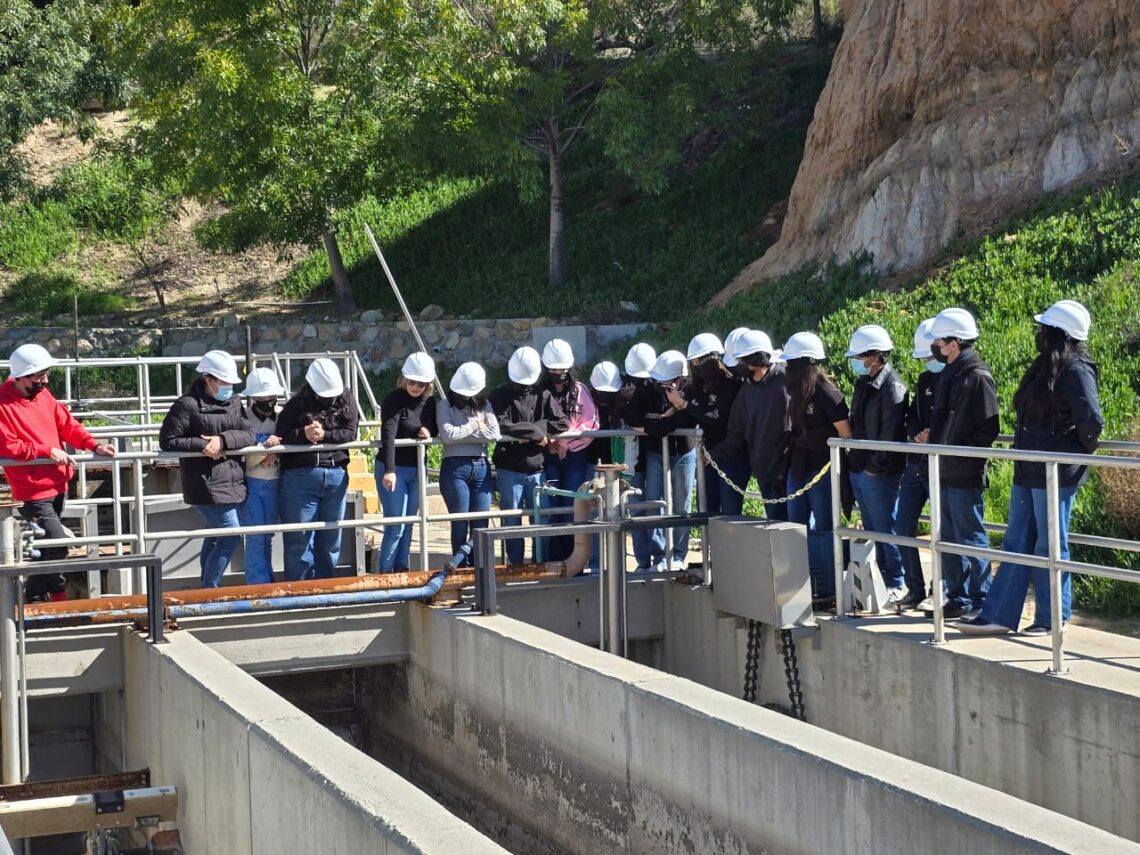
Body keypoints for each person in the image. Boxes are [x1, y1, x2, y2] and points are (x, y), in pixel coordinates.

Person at [959, 300, 1103, 635]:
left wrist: (1071, 455)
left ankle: (1052, 617)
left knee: (1050, 544)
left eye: (1045, 329)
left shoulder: (1076, 369)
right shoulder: (1047, 366)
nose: (1040, 334)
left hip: (1053, 472)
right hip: (1029, 469)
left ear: (1059, 334)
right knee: (1017, 540)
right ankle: (999, 615)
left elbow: (1091, 422)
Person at [0, 344, 117, 601]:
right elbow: (9, 446)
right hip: (32, 491)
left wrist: (94, 445)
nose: (45, 380)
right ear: (20, 376)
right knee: (56, 543)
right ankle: (49, 596)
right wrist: (47, 450)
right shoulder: (2, 403)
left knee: (48, 547)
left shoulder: (44, 396)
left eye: (46, 374)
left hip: (57, 484)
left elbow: (68, 426)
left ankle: (36, 597)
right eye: (39, 376)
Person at [924, 308, 1000, 620]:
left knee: (970, 536)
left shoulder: (977, 378)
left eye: (940, 343)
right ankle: (958, 597)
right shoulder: (953, 376)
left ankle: (981, 597)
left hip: (963, 472)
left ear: (955, 343)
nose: (936, 348)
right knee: (949, 537)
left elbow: (988, 427)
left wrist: (959, 452)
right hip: (944, 469)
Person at [159, 349, 255, 588]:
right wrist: (204, 445)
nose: (229, 387)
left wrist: (222, 440)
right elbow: (168, 440)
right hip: (203, 481)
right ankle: (210, 588)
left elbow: (249, 433)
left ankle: (206, 587)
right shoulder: (187, 405)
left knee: (216, 536)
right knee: (230, 534)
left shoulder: (234, 402)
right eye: (224, 382)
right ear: (209, 379)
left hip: (231, 477)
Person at [781, 332, 851, 598]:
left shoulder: (826, 393)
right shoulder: (798, 392)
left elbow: (845, 434)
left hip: (821, 469)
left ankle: (828, 582)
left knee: (824, 525)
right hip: (798, 467)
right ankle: (799, 577)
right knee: (795, 523)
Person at [276, 358, 360, 581]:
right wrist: (303, 433)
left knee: (331, 537)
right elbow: (281, 435)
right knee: (299, 539)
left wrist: (325, 436)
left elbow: (351, 432)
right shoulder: (296, 405)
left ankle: (326, 586)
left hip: (336, 474)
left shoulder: (347, 399)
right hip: (301, 476)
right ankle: (300, 590)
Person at [845, 324, 909, 602]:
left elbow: (889, 432)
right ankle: (880, 577)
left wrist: (873, 466)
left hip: (879, 471)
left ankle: (896, 579)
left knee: (885, 526)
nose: (857, 362)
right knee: (872, 526)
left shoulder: (892, 387)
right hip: (861, 467)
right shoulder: (864, 384)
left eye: (860, 357)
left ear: (875, 356)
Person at [490, 347, 567, 566]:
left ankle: (539, 563)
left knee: (541, 519)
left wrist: (532, 432)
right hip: (509, 469)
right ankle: (514, 565)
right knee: (511, 520)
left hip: (535, 469)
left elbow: (562, 422)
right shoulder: (499, 396)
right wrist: (538, 435)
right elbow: (500, 424)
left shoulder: (542, 395)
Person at [714, 329, 790, 521]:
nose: (739, 365)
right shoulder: (746, 390)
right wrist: (714, 454)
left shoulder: (786, 378)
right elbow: (735, 432)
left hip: (788, 468)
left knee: (798, 524)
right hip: (764, 470)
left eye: (742, 360)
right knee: (775, 524)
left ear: (755, 360)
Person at [894, 319, 940, 609]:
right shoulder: (925, 380)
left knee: (943, 531)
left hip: (943, 466)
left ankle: (941, 589)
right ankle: (915, 587)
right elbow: (911, 415)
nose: (927, 362)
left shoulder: (959, 378)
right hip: (917, 461)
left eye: (930, 357)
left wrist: (935, 433)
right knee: (903, 525)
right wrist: (917, 433)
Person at [377, 352, 438, 573]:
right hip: (394, 467)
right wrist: (389, 470)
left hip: (416, 468)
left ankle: (402, 568)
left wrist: (428, 430)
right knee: (396, 523)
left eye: (421, 384)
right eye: (411, 382)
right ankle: (385, 571)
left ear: (428, 384)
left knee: (410, 522)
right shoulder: (394, 399)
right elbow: (388, 434)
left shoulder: (430, 402)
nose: (415, 387)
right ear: (404, 379)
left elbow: (436, 427)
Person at [540, 340, 598, 562]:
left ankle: (574, 560)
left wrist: (566, 443)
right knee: (551, 508)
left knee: (571, 506)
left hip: (575, 455)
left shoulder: (580, 390)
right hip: (548, 454)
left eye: (562, 369)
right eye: (554, 370)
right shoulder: (540, 392)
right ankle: (553, 560)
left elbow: (590, 424)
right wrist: (551, 443)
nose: (559, 374)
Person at [641, 350, 698, 572]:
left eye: (667, 383)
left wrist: (676, 407)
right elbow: (643, 418)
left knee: (683, 504)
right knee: (654, 501)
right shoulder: (650, 390)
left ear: (680, 379)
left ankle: (679, 555)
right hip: (656, 452)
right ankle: (659, 555)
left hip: (685, 452)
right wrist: (663, 419)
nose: (662, 387)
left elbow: (688, 418)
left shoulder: (692, 391)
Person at [438, 362, 500, 564]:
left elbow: (494, 432)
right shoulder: (444, 405)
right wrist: (475, 425)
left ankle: (480, 566)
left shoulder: (484, 405)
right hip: (455, 468)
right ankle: (460, 566)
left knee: (481, 524)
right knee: (460, 523)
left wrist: (463, 432)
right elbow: (448, 435)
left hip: (481, 466)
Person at [683, 332, 747, 516]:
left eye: (697, 361)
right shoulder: (697, 387)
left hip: (731, 457)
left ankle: (731, 546)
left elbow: (716, 418)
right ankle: (711, 545)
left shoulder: (731, 385)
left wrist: (685, 405)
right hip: (708, 457)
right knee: (708, 509)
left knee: (729, 513)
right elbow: (692, 416)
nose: (695, 367)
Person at [239, 367, 286, 584]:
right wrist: (265, 449)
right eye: (261, 397)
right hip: (253, 482)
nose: (267, 400)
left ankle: (268, 579)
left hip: (277, 482)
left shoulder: (283, 416)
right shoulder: (244, 419)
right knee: (256, 537)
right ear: (253, 397)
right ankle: (258, 584)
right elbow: (240, 453)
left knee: (268, 536)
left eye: (270, 396)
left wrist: (277, 452)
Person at [620, 342, 659, 570]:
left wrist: (648, 425)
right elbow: (633, 419)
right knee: (635, 509)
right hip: (632, 461)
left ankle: (658, 556)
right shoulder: (623, 391)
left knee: (654, 506)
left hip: (653, 454)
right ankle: (643, 560)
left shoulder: (658, 387)